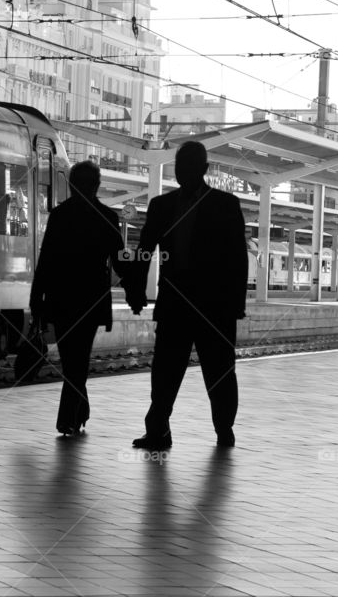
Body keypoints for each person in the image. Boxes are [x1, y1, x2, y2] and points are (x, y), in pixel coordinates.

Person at [127, 140, 248, 450]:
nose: (183, 172)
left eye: (188, 166)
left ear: (203, 169)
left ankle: (223, 429)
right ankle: (158, 431)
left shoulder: (225, 205)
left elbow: (237, 258)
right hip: (179, 304)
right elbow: (144, 250)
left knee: (218, 372)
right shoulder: (162, 206)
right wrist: (136, 289)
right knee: (165, 372)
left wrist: (236, 304)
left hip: (213, 307)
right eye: (180, 167)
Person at [30, 160, 135, 436]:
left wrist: (36, 298)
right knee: (79, 358)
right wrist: (134, 290)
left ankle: (69, 417)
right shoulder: (107, 217)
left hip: (61, 297)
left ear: (71, 184)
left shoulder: (59, 216)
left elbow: (46, 261)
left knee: (71, 360)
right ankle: (78, 411)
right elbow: (120, 261)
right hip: (91, 298)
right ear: (96, 185)